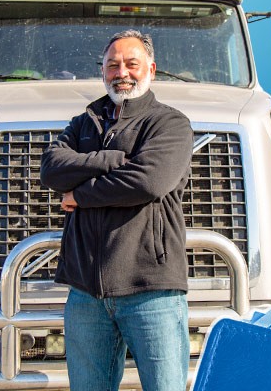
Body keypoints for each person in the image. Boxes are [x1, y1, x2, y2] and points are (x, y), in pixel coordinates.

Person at [39, 30, 194, 391]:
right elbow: (52, 168)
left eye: (131, 64)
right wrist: (112, 159)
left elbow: (148, 182)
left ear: (151, 69)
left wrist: (80, 196)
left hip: (150, 290)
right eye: (112, 65)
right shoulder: (85, 122)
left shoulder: (169, 123)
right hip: (86, 296)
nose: (121, 72)